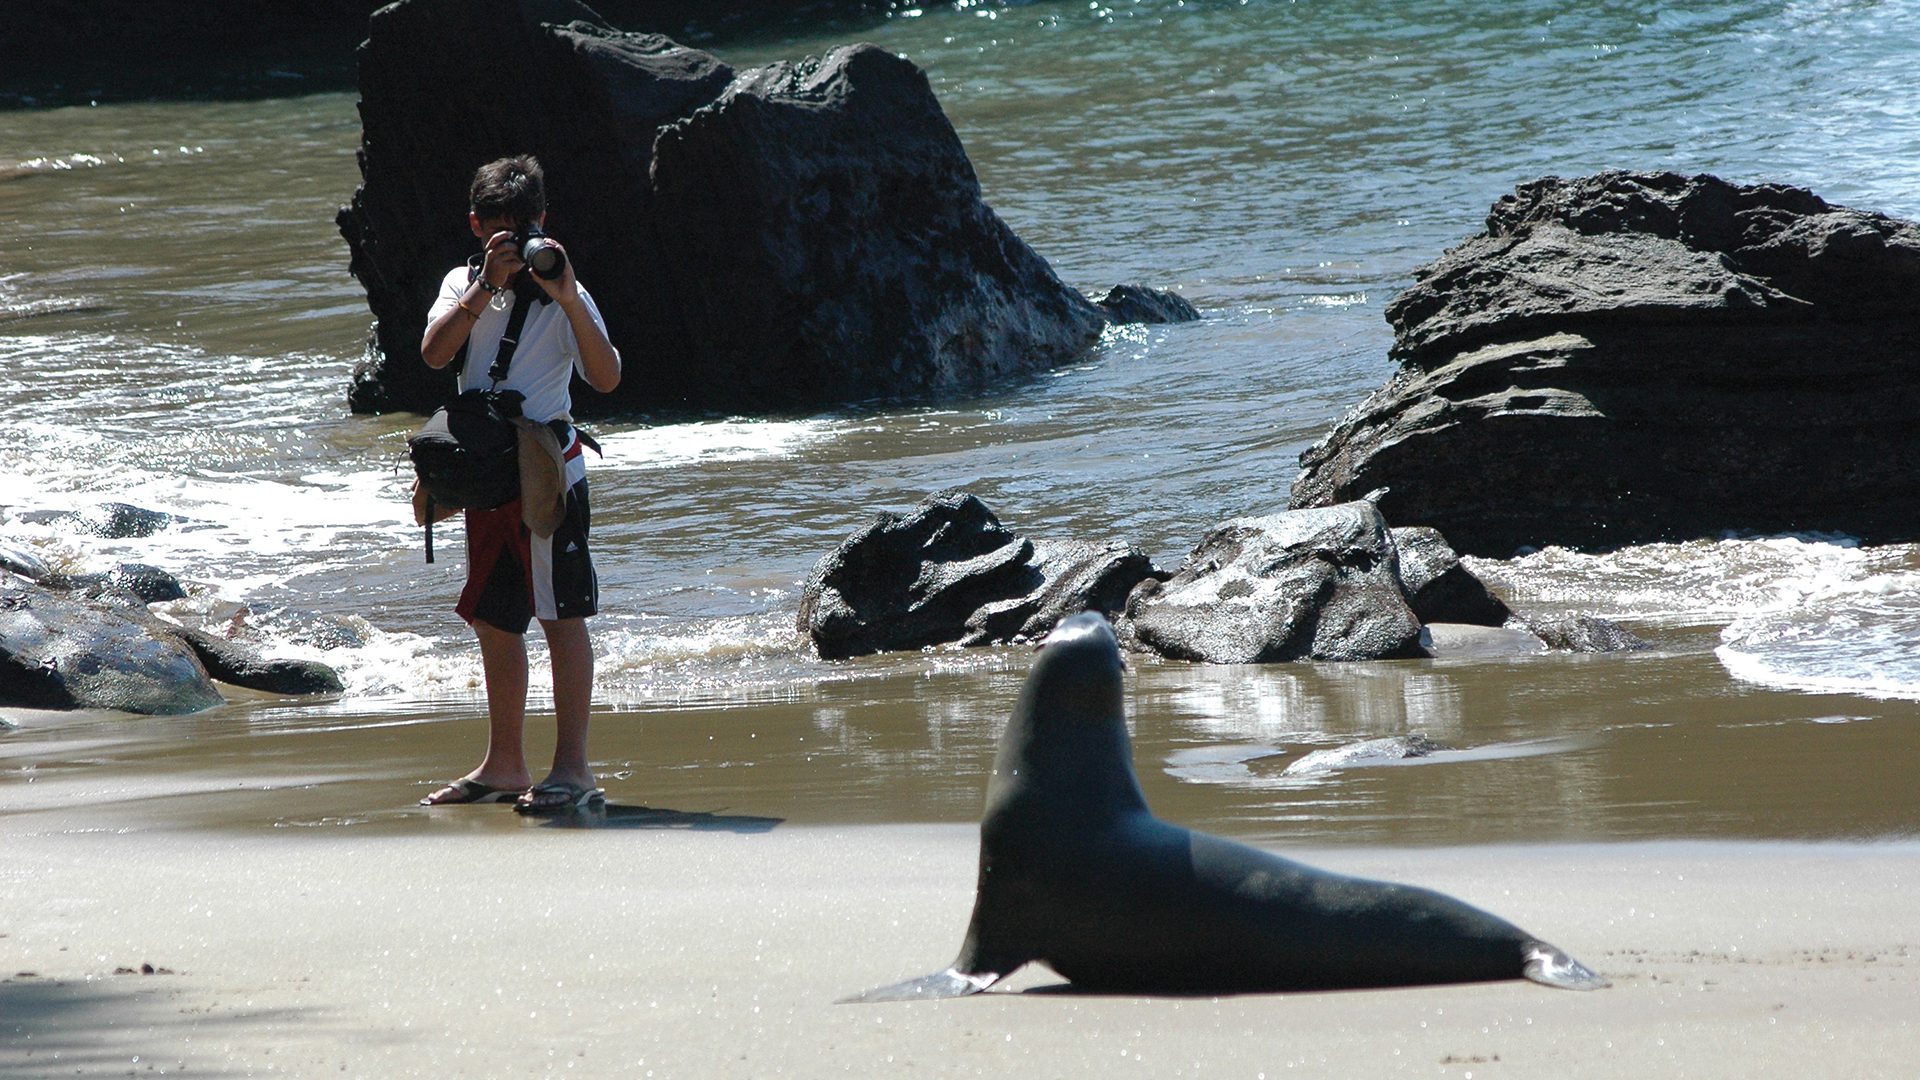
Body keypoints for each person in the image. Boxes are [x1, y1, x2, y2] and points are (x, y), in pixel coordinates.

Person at [417, 155, 622, 813]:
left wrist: (565, 294)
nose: (515, 246)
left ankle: (574, 770)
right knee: (493, 618)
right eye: (501, 234)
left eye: (525, 231)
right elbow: (435, 353)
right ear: (477, 227)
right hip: (485, 473)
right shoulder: (461, 283)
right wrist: (483, 288)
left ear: (544, 224)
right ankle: (504, 764)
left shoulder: (567, 292)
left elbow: (607, 377)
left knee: (561, 616)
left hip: (545, 473)